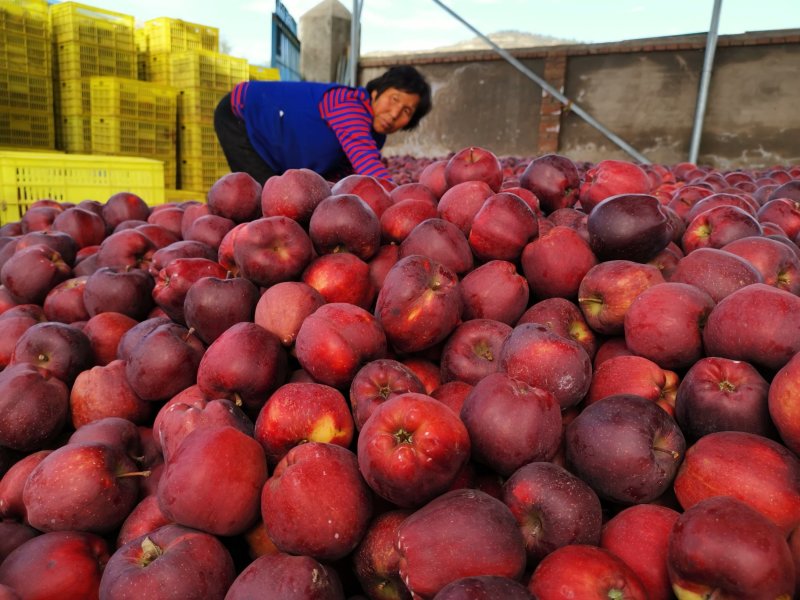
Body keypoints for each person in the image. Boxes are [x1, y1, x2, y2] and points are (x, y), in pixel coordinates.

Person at [214, 65, 432, 185]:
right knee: (268, 198)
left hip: (274, 142)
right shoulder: (348, 104)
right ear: (376, 92)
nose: (394, 114)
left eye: (406, 111)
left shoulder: (374, 135)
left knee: (289, 195)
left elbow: (343, 173)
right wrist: (400, 200)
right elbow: (366, 164)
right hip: (240, 114)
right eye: (394, 99)